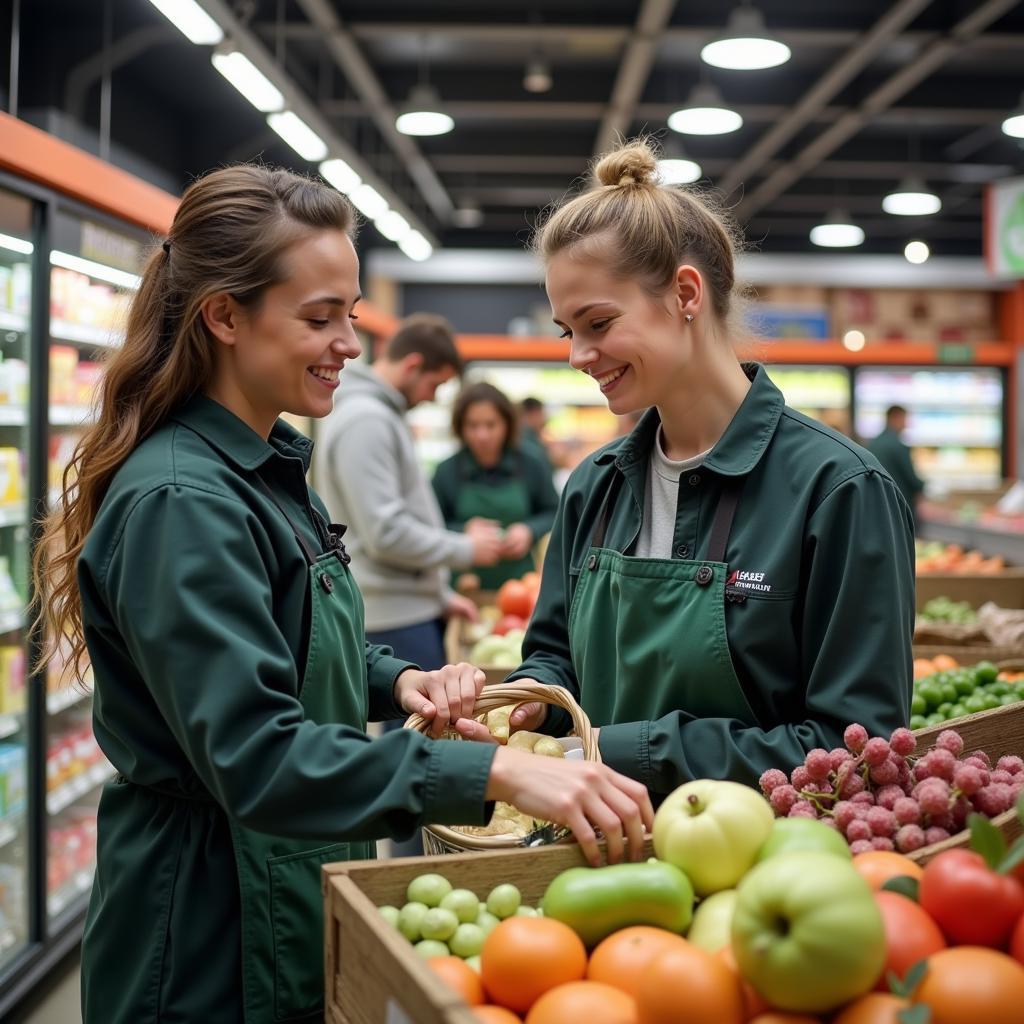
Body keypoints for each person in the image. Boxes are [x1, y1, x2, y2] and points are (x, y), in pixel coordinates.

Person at [32, 165, 653, 1024]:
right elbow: (254, 755)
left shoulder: (266, 467)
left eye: (351, 316)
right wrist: (494, 771)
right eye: (319, 318)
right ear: (223, 316)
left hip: (281, 884)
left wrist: (399, 681)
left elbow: (292, 638)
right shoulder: (183, 502)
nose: (350, 344)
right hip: (207, 929)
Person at [455, 139, 915, 793]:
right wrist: (541, 698)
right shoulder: (596, 486)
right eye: (567, 331)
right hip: (585, 865)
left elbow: (854, 749)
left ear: (686, 294)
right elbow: (555, 651)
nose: (578, 356)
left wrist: (611, 752)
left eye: (598, 323)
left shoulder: (838, 490)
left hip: (767, 873)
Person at [313, 315, 502, 856]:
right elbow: (384, 530)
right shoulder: (368, 420)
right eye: (435, 385)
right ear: (414, 365)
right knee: (418, 765)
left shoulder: (375, 415)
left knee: (418, 754)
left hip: (407, 606)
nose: (432, 396)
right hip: (393, 619)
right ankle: (414, 872)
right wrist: (465, 549)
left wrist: (439, 591)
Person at [433, 382, 559, 590]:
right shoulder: (447, 471)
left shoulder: (531, 463)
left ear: (507, 425)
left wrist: (529, 530)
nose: (482, 435)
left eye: (491, 425)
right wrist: (462, 530)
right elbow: (430, 525)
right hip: (464, 587)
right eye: (472, 426)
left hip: (521, 586)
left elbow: (554, 510)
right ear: (460, 427)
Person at [867, 404, 925, 532]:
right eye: (904, 419)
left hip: (879, 504)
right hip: (900, 505)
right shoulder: (897, 446)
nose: (906, 424)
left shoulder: (873, 444)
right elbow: (911, 479)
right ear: (895, 418)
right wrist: (923, 487)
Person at [518, 395, 554, 470]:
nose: (544, 419)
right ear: (533, 414)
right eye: (541, 414)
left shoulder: (519, 438)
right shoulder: (532, 447)